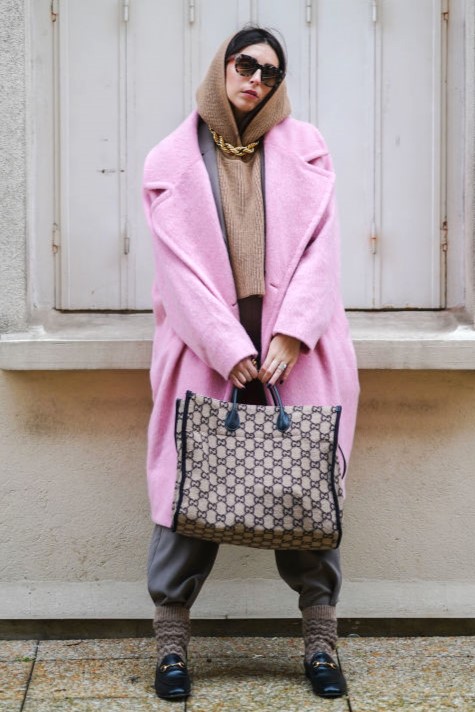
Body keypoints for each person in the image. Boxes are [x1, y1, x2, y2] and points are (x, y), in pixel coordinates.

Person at [142, 26, 359, 701]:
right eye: (244, 65)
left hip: (295, 346)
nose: (254, 80)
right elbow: (176, 272)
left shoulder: (306, 150)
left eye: (268, 72)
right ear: (221, 67)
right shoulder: (172, 159)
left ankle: (320, 645)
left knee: (304, 494)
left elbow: (323, 255)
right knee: (187, 497)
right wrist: (226, 344)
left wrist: (291, 334)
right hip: (207, 347)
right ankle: (172, 651)